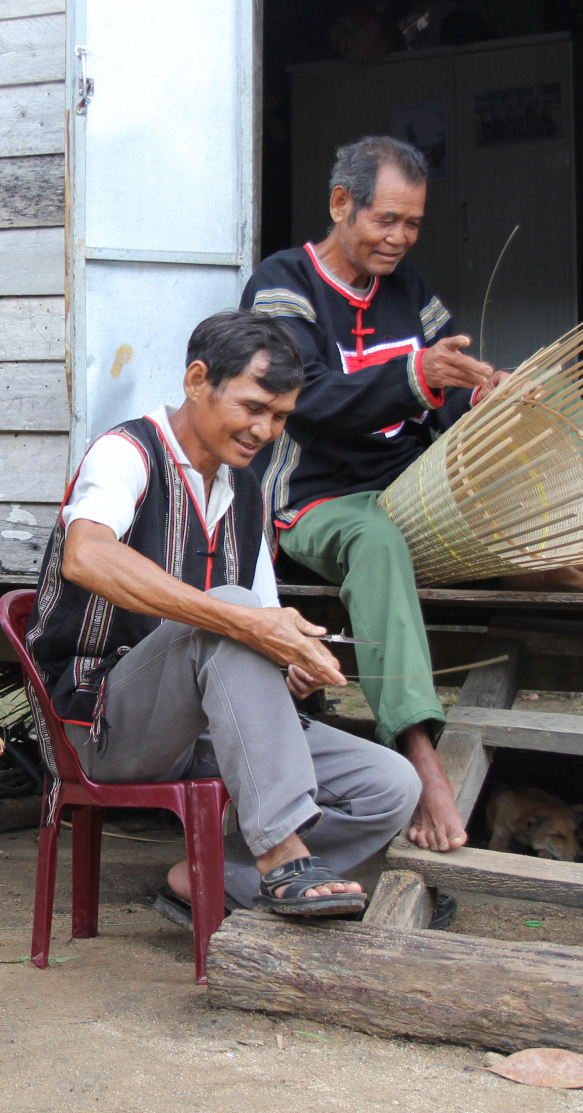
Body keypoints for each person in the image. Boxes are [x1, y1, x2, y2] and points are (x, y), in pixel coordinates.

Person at [240, 134, 583, 857]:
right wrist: (420, 376)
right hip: (314, 499)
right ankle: (420, 757)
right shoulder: (283, 283)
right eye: (386, 220)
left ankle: (521, 557)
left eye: (413, 224)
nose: (400, 238)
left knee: (498, 442)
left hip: (404, 489)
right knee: (376, 538)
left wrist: (485, 396)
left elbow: (441, 391)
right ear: (342, 205)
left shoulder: (409, 291)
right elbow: (303, 396)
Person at [26, 311, 423, 923]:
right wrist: (247, 625)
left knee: (390, 786)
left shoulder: (247, 495)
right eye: (252, 407)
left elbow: (258, 632)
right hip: (99, 726)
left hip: (208, 728)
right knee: (235, 613)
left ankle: (212, 877)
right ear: (196, 379)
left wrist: (288, 663)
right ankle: (282, 856)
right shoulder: (126, 452)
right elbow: (87, 555)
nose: (264, 429)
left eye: (282, 416)